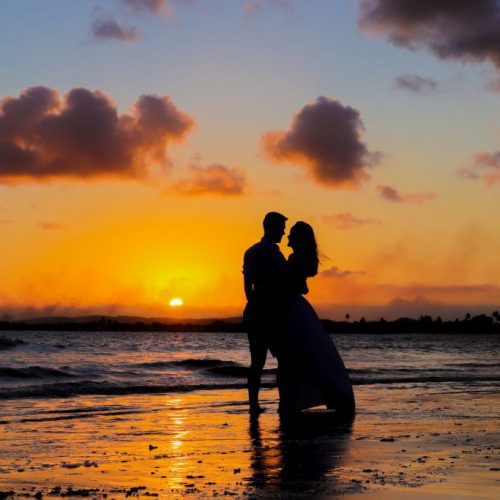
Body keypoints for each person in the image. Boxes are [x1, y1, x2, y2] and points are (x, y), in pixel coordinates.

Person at [278, 221, 355, 416]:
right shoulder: (299, 260)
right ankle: (293, 400)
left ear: (297, 239)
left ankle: (289, 402)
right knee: (310, 355)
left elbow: (295, 285)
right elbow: (303, 287)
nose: (287, 238)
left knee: (293, 357)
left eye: (291, 236)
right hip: (297, 307)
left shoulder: (294, 259)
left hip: (292, 309)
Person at [243, 211, 288, 414]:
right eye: (281, 228)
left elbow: (248, 287)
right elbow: (248, 288)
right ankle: (258, 403)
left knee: (262, 361)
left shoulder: (262, 252)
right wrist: (259, 310)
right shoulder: (259, 252)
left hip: (266, 313)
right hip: (264, 314)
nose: (284, 233)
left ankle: (258, 404)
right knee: (268, 360)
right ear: (271, 228)